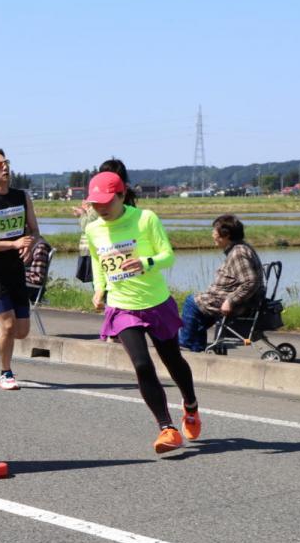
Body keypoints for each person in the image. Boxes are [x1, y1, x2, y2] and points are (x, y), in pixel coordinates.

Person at [85, 171, 200, 454]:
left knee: (172, 360)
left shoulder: (145, 218)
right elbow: (98, 264)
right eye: (95, 203)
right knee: (141, 364)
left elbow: (168, 255)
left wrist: (146, 262)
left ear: (122, 195)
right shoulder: (93, 229)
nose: (100, 208)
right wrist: (99, 289)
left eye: (106, 202)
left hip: (156, 302)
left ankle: (191, 406)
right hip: (122, 306)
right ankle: (167, 428)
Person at [0, 147, 44, 389]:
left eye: (7, 163)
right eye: (0, 165)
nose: (6, 168)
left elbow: (34, 231)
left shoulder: (21, 197)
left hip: (16, 269)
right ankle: (6, 373)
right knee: (9, 326)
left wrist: (30, 245)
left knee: (21, 331)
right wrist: (13, 243)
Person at [178, 214, 264, 352]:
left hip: (236, 304)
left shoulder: (238, 253)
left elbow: (250, 281)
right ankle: (196, 347)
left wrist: (230, 301)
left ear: (226, 235)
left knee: (191, 302)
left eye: (214, 231)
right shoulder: (241, 248)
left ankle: (187, 345)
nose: (212, 235)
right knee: (199, 310)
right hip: (232, 300)